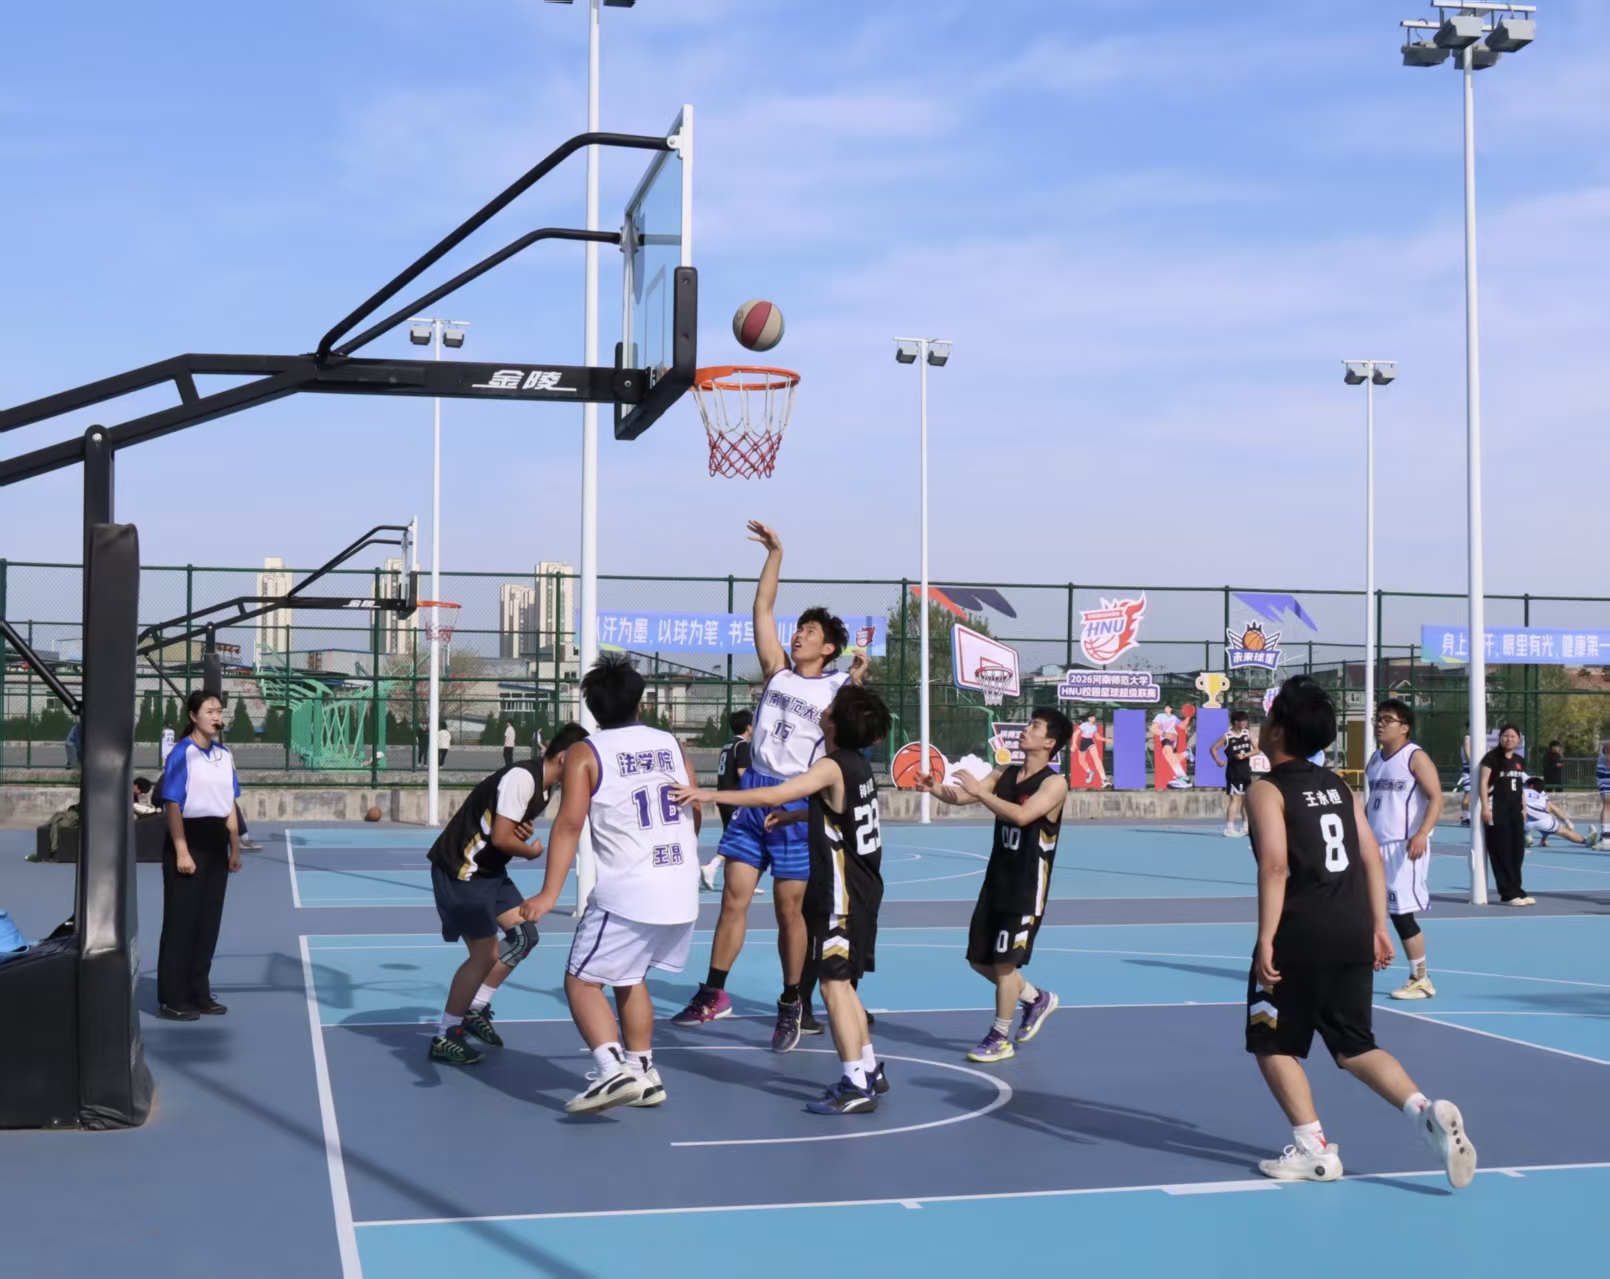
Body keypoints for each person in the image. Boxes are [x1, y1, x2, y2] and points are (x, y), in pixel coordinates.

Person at [1245, 675, 1476, 1188]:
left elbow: (1276, 866)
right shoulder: (1338, 786)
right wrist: (1377, 925)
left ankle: (1314, 1151)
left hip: (1299, 933)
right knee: (1355, 1045)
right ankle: (1423, 1111)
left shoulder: (1266, 790)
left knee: (1271, 1042)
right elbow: (1370, 855)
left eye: (1268, 717)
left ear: (1278, 731)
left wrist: (1266, 938)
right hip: (1351, 929)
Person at [669, 522, 866, 1052]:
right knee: (733, 898)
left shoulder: (837, 687)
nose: (798, 634)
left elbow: (857, 727)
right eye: (798, 628)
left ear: (828, 647)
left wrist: (860, 678)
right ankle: (714, 992)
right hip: (755, 792)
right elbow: (761, 605)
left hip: (796, 800)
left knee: (788, 912)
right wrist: (776, 554)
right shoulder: (777, 671)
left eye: (810, 631)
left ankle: (792, 1003)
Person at [677, 685, 893, 1114]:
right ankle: (869, 1067)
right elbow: (834, 811)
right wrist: (797, 815)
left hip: (842, 894)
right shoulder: (856, 767)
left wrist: (710, 794)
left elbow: (773, 793)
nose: (823, 709)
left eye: (831, 708)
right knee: (843, 983)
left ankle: (854, 1082)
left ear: (837, 723)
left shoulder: (831, 765)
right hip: (864, 890)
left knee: (833, 985)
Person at [519, 655, 702, 1114]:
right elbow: (695, 809)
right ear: (641, 701)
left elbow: (568, 825)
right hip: (680, 886)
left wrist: (549, 894)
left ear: (592, 707)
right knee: (629, 975)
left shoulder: (587, 752)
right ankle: (644, 1071)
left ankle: (612, 1070)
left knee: (581, 982)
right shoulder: (672, 745)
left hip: (629, 891)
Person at [425, 722, 589, 1065]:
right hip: (463, 870)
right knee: (485, 955)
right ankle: (445, 1035)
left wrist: (518, 833)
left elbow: (501, 827)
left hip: (489, 872)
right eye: (583, 762)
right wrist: (530, 851)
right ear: (564, 758)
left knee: (524, 936)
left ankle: (475, 1008)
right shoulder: (523, 778)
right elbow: (500, 838)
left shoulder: (545, 788)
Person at [916, 708, 1072, 1063]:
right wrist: (935, 788)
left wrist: (981, 792)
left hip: (1026, 886)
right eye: (1028, 724)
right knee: (979, 960)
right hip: (997, 880)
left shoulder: (1054, 784)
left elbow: (1022, 815)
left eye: (1034, 726)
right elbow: (963, 797)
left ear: (1049, 742)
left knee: (1004, 965)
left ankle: (999, 1036)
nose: (1026, 730)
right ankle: (1035, 998)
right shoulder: (1006, 773)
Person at [156, 690, 243, 1021]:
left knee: (208, 922)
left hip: (216, 841)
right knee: (181, 922)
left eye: (219, 711)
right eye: (210, 711)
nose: (217, 717)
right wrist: (182, 851)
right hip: (188, 840)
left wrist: (234, 846)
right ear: (193, 716)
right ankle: (173, 998)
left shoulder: (224, 755)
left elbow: (229, 803)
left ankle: (199, 992)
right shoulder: (182, 753)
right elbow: (172, 804)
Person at [1364, 699, 1445, 1001]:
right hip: (1375, 846)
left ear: (1404, 727)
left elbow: (1436, 798)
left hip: (1404, 846)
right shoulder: (1375, 759)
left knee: (1401, 914)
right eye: (1378, 718)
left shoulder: (1415, 756)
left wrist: (1422, 833)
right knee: (1364, 908)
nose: (1380, 723)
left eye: (1388, 719)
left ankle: (1420, 978)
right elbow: (1373, 804)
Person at [700, 709, 754, 891]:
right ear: (748, 727)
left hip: (723, 798)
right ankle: (713, 866)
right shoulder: (743, 746)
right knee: (741, 838)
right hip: (735, 799)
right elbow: (742, 772)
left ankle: (738, 882)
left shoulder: (728, 745)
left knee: (734, 837)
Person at [1479, 724, 1532, 907]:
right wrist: (1485, 808)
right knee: (1501, 852)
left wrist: (1524, 807)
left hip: (1514, 811)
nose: (1509, 739)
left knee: (1517, 852)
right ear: (1500, 738)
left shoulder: (1519, 760)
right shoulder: (1492, 758)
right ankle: (1507, 894)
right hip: (1497, 810)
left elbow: (1520, 786)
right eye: (1506, 735)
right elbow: (1483, 783)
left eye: (1513, 736)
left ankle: (1517, 890)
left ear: (1518, 739)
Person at [1210, 710, 1255, 837]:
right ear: (1236, 722)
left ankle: (1245, 827)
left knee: (1246, 800)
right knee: (1235, 799)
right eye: (1243, 721)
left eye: (1246, 721)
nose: (1245, 723)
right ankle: (1229, 828)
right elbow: (1213, 748)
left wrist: (1245, 755)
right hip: (1234, 772)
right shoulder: (1227, 736)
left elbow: (1257, 749)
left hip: (1246, 771)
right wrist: (1218, 761)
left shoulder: (1247, 734)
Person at [1524, 776, 1590, 848]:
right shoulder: (1542, 796)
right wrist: (1567, 822)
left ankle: (1525, 837)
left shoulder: (1523, 791)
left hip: (1527, 822)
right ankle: (1586, 841)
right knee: (1566, 833)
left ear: (1531, 786)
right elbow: (1550, 808)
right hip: (1544, 822)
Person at [1597, 741, 1610, 848]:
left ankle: (1605, 834)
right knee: (1607, 804)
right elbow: (1608, 761)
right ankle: (1606, 836)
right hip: (1606, 777)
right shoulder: (1609, 744)